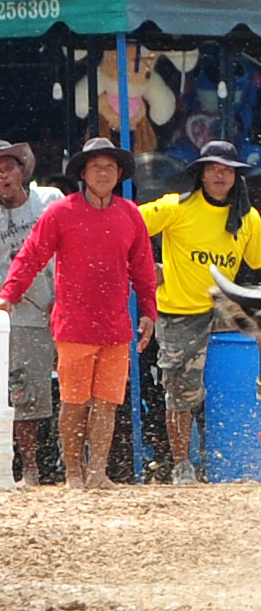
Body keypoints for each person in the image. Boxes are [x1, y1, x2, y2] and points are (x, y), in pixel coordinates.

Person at [0, 137, 156, 490]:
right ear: (83, 173)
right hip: (73, 326)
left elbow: (144, 269)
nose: (103, 173)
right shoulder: (61, 212)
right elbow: (31, 256)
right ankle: (74, 473)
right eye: (96, 167)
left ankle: (98, 472)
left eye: (110, 167)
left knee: (107, 403)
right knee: (74, 402)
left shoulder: (130, 214)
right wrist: (8, 295)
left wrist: (149, 311)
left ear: (119, 174)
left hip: (116, 326)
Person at [140, 140, 261, 484]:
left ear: (235, 176)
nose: (220, 174)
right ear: (200, 173)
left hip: (221, 303)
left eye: (227, 169)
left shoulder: (247, 217)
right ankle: (181, 464)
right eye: (214, 168)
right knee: (181, 391)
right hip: (179, 311)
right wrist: (145, 268)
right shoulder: (175, 207)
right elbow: (128, 228)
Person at [0, 140, 63, 486]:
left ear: (21, 169)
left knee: (75, 391)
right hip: (21, 317)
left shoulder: (50, 200)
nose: (2, 176)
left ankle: (76, 467)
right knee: (24, 394)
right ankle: (31, 470)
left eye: (7, 167)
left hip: (66, 308)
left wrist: (65, 293)